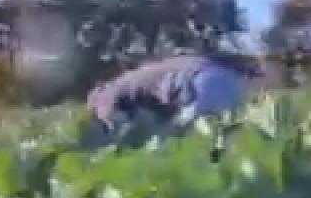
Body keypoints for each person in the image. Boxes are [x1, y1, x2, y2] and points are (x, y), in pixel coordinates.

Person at [85, 52, 261, 135]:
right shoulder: (138, 78)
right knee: (227, 141)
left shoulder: (106, 95)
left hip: (201, 83)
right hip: (230, 78)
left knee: (179, 137)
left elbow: (114, 121)